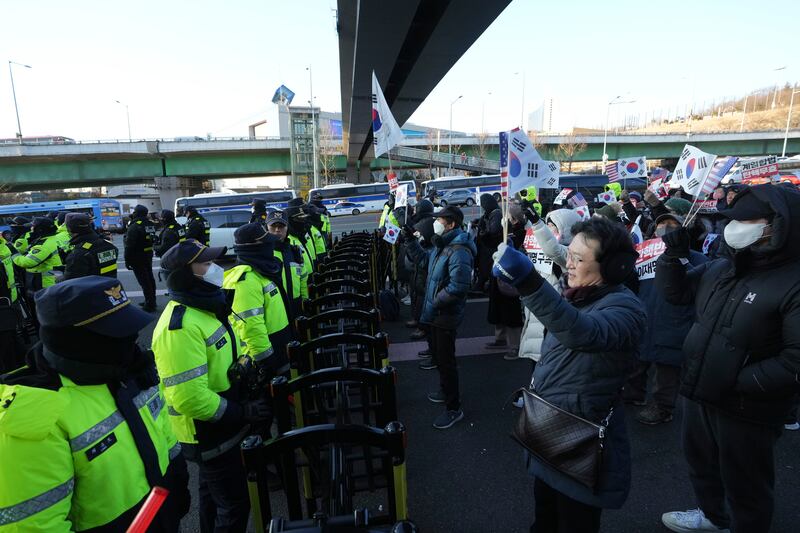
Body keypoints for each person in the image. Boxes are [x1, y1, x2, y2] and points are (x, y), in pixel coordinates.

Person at [658, 184, 800, 533]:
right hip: (699, 390)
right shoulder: (722, 267)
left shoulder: (793, 281)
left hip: (747, 406)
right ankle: (712, 517)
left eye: (747, 219)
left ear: (777, 225)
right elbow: (676, 294)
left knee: (746, 482)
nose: (735, 227)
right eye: (733, 220)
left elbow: (796, 359)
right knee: (702, 463)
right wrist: (672, 256)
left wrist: (740, 381)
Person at [0, 276, 190, 531]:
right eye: (117, 333)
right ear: (74, 339)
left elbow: (164, 432)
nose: (131, 339)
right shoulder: (34, 415)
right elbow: (34, 525)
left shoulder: (127, 369)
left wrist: (178, 480)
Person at [492, 216, 644, 533]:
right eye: (568, 253)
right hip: (550, 428)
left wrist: (529, 281)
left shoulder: (626, 309)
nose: (568, 263)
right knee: (544, 517)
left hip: (581, 439)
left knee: (574, 523)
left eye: (577, 258)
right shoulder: (579, 294)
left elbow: (582, 333)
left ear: (614, 268)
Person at [152, 239, 269, 533]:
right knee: (234, 506)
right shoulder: (179, 326)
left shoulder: (205, 309)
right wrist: (240, 412)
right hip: (208, 432)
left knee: (213, 501)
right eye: (205, 264)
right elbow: (189, 398)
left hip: (222, 426)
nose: (215, 268)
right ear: (185, 274)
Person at [624, 212, 708, 425]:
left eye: (673, 224)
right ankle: (633, 395)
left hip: (676, 320)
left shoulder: (697, 258)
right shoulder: (642, 254)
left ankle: (663, 407)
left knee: (667, 369)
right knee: (637, 361)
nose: (666, 228)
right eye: (662, 224)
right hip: (645, 315)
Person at [404, 205, 475, 429]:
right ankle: (445, 392)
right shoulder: (441, 245)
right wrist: (410, 241)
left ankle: (453, 408)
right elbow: (424, 262)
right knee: (439, 357)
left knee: (447, 362)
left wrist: (435, 301)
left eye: (440, 220)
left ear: (452, 224)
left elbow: (459, 286)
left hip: (445, 314)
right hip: (435, 313)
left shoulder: (459, 250)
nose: (436, 223)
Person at [516, 206, 583, 377]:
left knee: (549, 366)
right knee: (535, 364)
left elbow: (552, 249)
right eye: (547, 225)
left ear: (566, 229)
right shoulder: (538, 248)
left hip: (553, 317)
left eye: (552, 226)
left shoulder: (570, 254)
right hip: (536, 315)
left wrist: (537, 223)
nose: (548, 229)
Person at [223, 223, 292, 378]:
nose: (270, 245)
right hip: (265, 358)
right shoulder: (246, 281)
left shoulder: (261, 271)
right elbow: (252, 328)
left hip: (279, 347)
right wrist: (266, 362)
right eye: (265, 242)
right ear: (252, 247)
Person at [487, 203, 526, 360]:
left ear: (515, 220)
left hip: (511, 280)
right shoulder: (501, 235)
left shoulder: (520, 235)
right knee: (499, 309)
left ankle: (515, 346)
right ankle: (500, 338)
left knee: (512, 314)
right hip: (498, 278)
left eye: (507, 217)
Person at [266, 209, 307, 320]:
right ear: (266, 228)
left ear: (287, 228)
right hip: (276, 311)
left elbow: (302, 279)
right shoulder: (263, 255)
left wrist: (305, 302)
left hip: (296, 307)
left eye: (281, 226)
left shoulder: (295, 252)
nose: (277, 230)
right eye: (273, 226)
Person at [406, 199, 434, 341]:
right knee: (416, 293)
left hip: (424, 265)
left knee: (423, 296)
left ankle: (423, 327)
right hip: (418, 265)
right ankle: (417, 320)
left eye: (417, 210)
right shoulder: (423, 221)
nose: (415, 212)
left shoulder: (427, 223)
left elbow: (416, 234)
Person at [12, 216, 63, 294]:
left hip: (46, 284)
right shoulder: (54, 238)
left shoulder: (44, 245)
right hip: (54, 281)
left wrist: (14, 254)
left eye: (33, 226)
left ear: (39, 229)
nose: (31, 228)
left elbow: (27, 262)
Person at [62, 212, 119, 280]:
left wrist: (58, 278)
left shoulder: (79, 253)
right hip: (111, 287)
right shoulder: (108, 245)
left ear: (70, 229)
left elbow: (71, 282)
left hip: (92, 290)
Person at [124, 204, 158, 312]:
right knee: (149, 278)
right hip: (148, 255)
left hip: (137, 257)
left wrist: (127, 260)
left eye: (134, 212)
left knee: (144, 281)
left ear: (137, 213)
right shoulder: (150, 224)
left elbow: (129, 245)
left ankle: (150, 304)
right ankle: (151, 300)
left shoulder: (134, 226)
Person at [0, 235, 24, 374]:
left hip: (5, 303)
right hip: (9, 301)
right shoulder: (6, 246)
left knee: (7, 345)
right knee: (12, 341)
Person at [474, 193, 502, 297]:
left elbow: (493, 230)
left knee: (486, 266)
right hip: (487, 245)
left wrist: (483, 231)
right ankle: (482, 284)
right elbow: (484, 220)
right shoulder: (490, 212)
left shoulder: (496, 214)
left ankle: (483, 285)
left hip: (491, 246)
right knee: (483, 265)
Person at [284, 198, 318, 269]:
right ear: (290, 220)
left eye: (303, 219)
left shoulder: (301, 234)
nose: (303, 221)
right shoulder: (289, 240)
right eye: (299, 219)